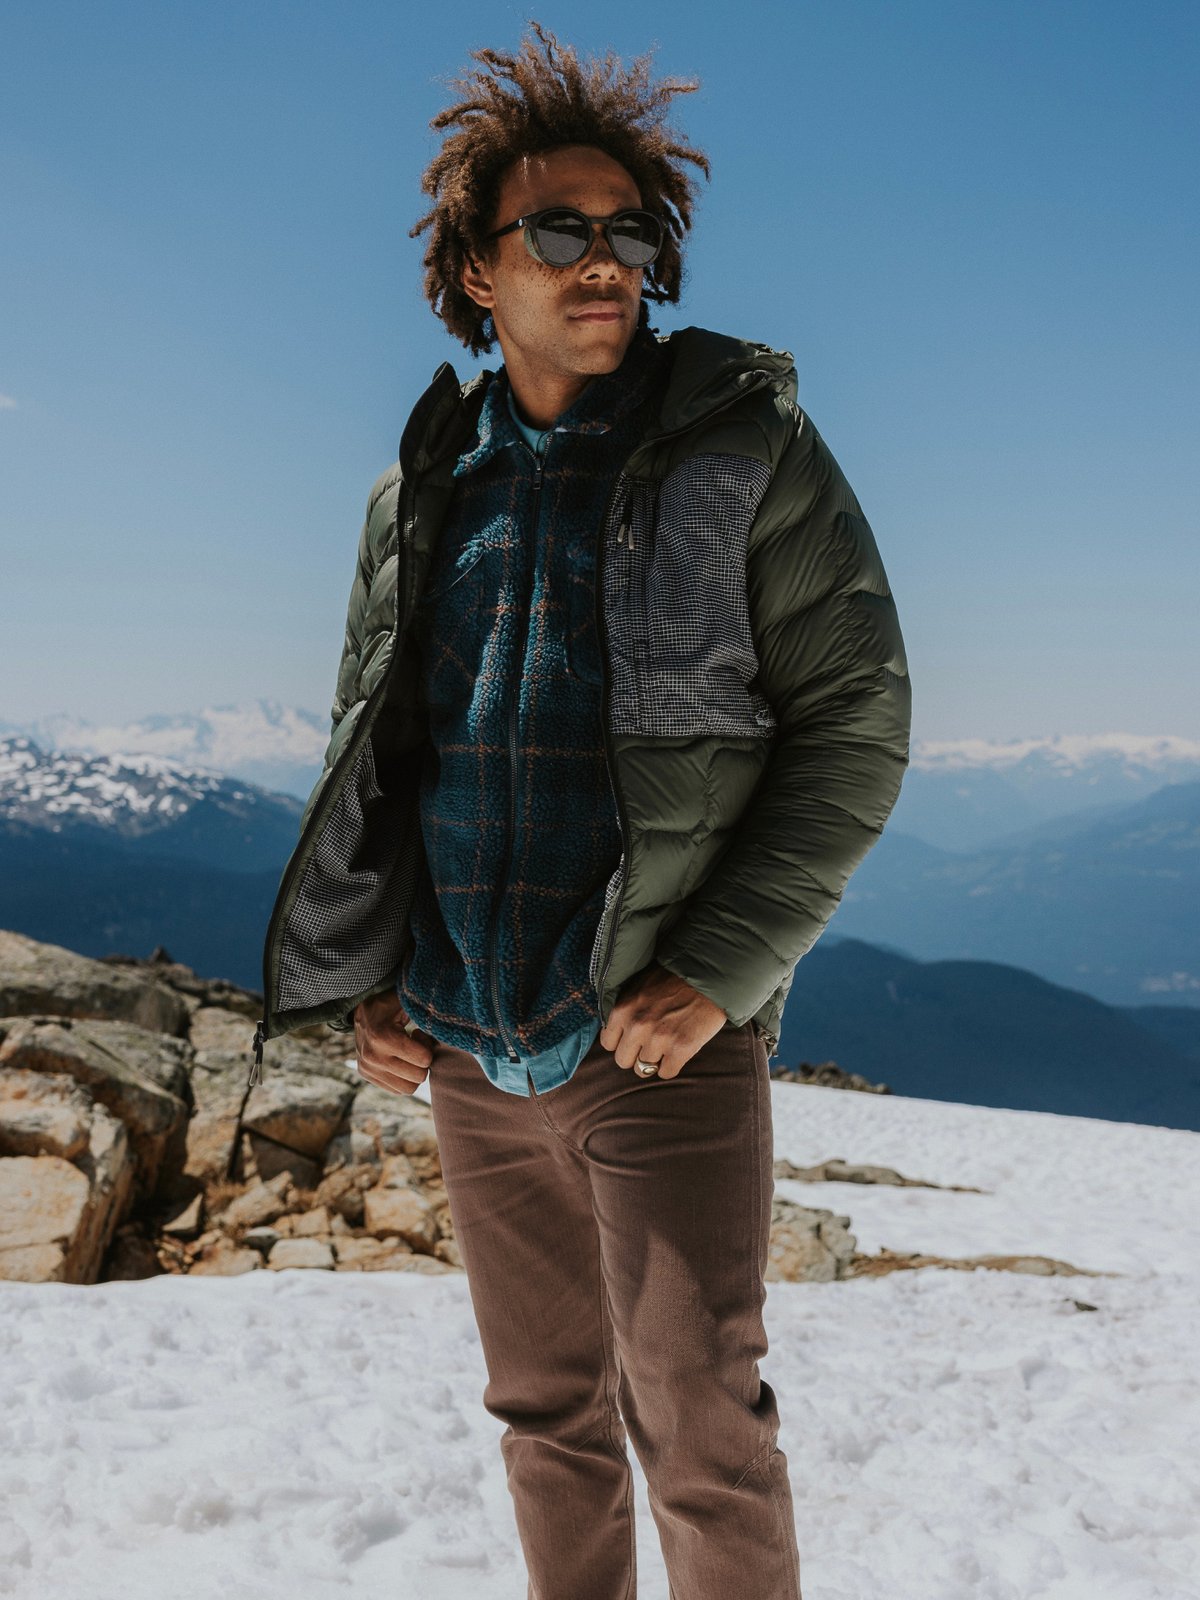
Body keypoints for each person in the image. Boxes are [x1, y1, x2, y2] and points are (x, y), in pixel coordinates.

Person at [252, 22, 910, 1599]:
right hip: (475, 1051)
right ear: (480, 269)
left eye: (629, 232)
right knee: (547, 1417)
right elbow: (386, 751)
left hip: (661, 1049)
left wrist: (723, 975)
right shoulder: (419, 492)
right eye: (560, 230)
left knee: (700, 1426)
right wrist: (375, 981)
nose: (603, 259)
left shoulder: (749, 455)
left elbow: (859, 726)